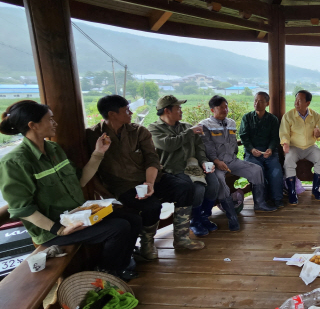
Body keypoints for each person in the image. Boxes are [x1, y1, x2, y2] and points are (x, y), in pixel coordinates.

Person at [0, 100, 140, 281]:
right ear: (33, 125)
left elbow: (80, 180)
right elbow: (22, 209)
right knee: (118, 228)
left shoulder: (54, 149)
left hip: (76, 216)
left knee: (133, 218)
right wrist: (59, 230)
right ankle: (107, 271)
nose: (55, 123)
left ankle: (121, 263)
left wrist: (99, 152)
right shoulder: (14, 162)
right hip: (53, 230)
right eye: (50, 120)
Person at [87, 95, 203, 261]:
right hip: (122, 186)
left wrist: (149, 182)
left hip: (150, 178)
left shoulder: (138, 131)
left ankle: (182, 238)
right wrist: (105, 194)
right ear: (112, 114)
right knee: (152, 206)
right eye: (126, 110)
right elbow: (89, 169)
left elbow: (152, 159)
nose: (131, 112)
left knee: (185, 186)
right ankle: (147, 245)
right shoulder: (92, 135)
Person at [147, 95, 219, 237]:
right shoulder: (154, 129)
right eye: (178, 108)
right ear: (167, 111)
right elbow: (169, 145)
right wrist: (190, 132)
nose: (181, 111)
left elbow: (199, 148)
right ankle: (194, 221)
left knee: (214, 184)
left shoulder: (186, 126)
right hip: (173, 170)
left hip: (194, 168)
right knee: (197, 189)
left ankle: (204, 216)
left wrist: (204, 162)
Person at [199, 95, 276, 225]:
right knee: (220, 181)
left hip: (232, 161)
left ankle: (260, 203)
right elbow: (208, 147)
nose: (225, 109)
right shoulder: (205, 125)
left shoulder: (231, 123)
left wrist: (234, 157)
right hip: (216, 164)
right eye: (221, 107)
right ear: (212, 110)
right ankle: (232, 216)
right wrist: (217, 161)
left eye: (226, 106)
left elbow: (234, 144)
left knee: (257, 170)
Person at [280, 90, 320, 203]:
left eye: (300, 100)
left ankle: (315, 190)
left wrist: (318, 135)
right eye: (296, 100)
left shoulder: (315, 116)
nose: (296, 103)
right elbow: (284, 133)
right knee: (288, 161)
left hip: (310, 147)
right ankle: (292, 192)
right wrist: (285, 143)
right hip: (294, 147)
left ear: (308, 103)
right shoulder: (288, 116)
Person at [240, 92, 285, 208]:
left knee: (276, 171)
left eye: (260, 101)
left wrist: (270, 149)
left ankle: (277, 199)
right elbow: (244, 137)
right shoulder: (247, 117)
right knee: (258, 171)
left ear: (267, 103)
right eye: (255, 100)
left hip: (269, 152)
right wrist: (251, 149)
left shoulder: (272, 119)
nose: (256, 103)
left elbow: (275, 137)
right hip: (252, 153)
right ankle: (261, 201)